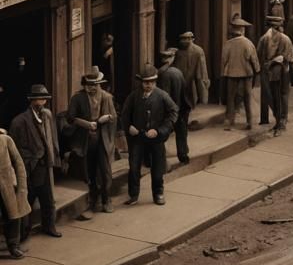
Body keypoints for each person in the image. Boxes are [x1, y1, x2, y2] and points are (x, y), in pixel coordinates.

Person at [8, 85, 61, 239]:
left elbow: (52, 138)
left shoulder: (47, 116)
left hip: (44, 165)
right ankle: (23, 233)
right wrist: (30, 159)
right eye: (39, 98)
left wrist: (54, 157)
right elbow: (15, 149)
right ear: (31, 100)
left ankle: (49, 226)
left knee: (48, 200)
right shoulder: (19, 121)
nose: (42, 102)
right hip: (29, 167)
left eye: (44, 99)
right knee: (27, 200)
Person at [121, 66, 178, 206]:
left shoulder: (162, 96)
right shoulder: (134, 96)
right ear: (141, 82)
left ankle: (158, 193)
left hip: (156, 138)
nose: (148, 85)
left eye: (151, 82)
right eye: (146, 82)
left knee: (157, 167)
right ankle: (133, 195)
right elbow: (124, 114)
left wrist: (160, 130)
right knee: (134, 167)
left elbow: (173, 113)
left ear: (155, 82)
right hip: (137, 138)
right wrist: (129, 127)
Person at [66, 69, 117, 215]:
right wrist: (87, 124)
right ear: (84, 85)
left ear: (99, 84)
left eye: (95, 84)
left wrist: (106, 118)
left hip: (103, 138)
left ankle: (107, 200)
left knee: (105, 171)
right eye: (88, 85)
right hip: (86, 140)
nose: (92, 88)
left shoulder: (106, 97)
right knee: (90, 171)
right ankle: (94, 200)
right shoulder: (77, 98)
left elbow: (114, 117)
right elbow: (70, 118)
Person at [257, 15, 293, 135]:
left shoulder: (264, 39)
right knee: (282, 96)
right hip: (283, 71)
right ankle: (282, 121)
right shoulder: (286, 39)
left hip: (270, 73)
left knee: (273, 97)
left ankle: (278, 121)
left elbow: (259, 56)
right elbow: (290, 57)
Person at [221, 14, 259, 131]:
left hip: (231, 73)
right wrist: (257, 70)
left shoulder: (228, 44)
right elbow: (254, 60)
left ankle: (230, 123)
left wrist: (223, 73)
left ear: (233, 30)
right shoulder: (248, 43)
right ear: (242, 30)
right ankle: (249, 122)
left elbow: (223, 60)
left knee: (230, 98)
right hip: (246, 74)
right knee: (247, 97)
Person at [0, 127, 30, 258]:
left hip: (8, 186)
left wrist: (21, 185)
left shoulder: (5, 140)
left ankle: (13, 245)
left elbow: (18, 163)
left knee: (12, 216)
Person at [157, 48, 190, 164]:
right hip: (181, 108)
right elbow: (185, 91)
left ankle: (161, 160)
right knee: (181, 133)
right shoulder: (178, 72)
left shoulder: (161, 73)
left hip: (169, 110)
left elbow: (164, 95)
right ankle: (183, 155)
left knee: (161, 134)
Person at [173, 31, 209, 107]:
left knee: (197, 87)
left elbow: (202, 67)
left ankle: (200, 103)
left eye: (185, 39)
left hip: (195, 74)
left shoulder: (198, 50)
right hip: (183, 74)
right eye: (182, 39)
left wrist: (202, 78)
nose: (182, 41)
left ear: (190, 39)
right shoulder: (179, 51)